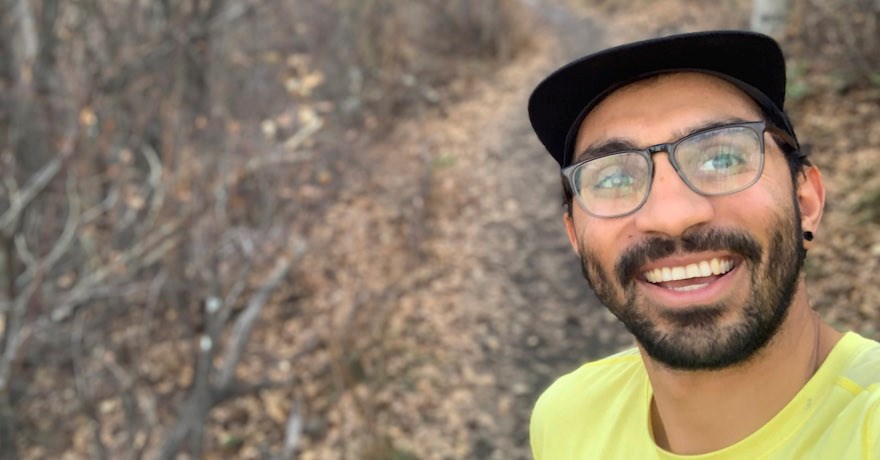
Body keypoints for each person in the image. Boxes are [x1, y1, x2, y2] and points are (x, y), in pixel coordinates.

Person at [526, 30, 880, 458]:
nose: (671, 217)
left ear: (805, 201)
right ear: (575, 237)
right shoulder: (565, 420)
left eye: (722, 158)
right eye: (614, 178)